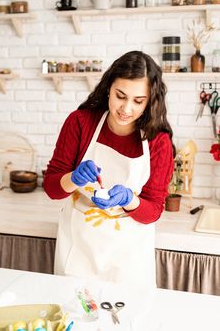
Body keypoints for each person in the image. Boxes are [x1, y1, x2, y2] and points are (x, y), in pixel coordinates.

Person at [44, 50, 174, 290]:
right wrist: (73, 179)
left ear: (150, 100)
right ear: (108, 89)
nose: (126, 108)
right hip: (79, 247)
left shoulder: (158, 141)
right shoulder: (81, 122)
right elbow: (52, 188)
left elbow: (154, 210)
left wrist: (130, 200)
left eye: (138, 101)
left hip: (129, 255)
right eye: (120, 96)